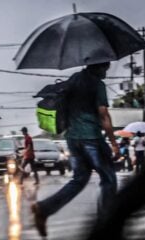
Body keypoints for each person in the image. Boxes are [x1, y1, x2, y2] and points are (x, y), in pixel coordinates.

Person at [31, 62, 119, 237]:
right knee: (108, 179)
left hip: (72, 138)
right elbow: (103, 115)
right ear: (99, 67)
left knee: (79, 179)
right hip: (91, 137)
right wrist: (114, 143)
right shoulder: (96, 84)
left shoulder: (74, 79)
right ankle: (106, 223)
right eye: (106, 67)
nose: (107, 70)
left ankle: (44, 208)